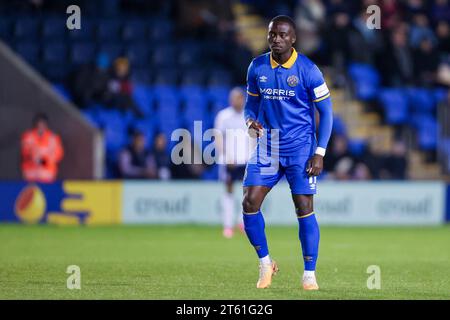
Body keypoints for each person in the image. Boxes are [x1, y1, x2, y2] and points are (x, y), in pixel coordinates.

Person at [242, 16, 333, 290]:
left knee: (304, 208)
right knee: (249, 202)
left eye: (282, 35)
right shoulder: (257, 67)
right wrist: (249, 121)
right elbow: (250, 104)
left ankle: (309, 274)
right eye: (272, 35)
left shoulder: (308, 70)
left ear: (293, 38)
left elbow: (327, 112)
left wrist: (320, 152)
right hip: (268, 147)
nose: (276, 39)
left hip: (300, 149)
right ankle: (266, 262)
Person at [214, 87, 254, 239]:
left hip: (246, 159)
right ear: (231, 100)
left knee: (247, 193)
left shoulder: (249, 115)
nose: (239, 101)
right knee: (229, 191)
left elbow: (254, 137)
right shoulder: (223, 116)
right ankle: (227, 225)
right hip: (230, 161)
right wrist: (224, 156)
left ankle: (241, 223)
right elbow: (217, 137)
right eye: (236, 98)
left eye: (241, 98)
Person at [21, 113, 64, 183]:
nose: (41, 126)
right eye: (39, 123)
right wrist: (33, 157)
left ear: (46, 125)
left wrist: (44, 161)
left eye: (43, 124)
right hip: (30, 173)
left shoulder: (53, 138)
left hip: (47, 174)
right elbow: (25, 151)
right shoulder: (28, 136)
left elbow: (58, 154)